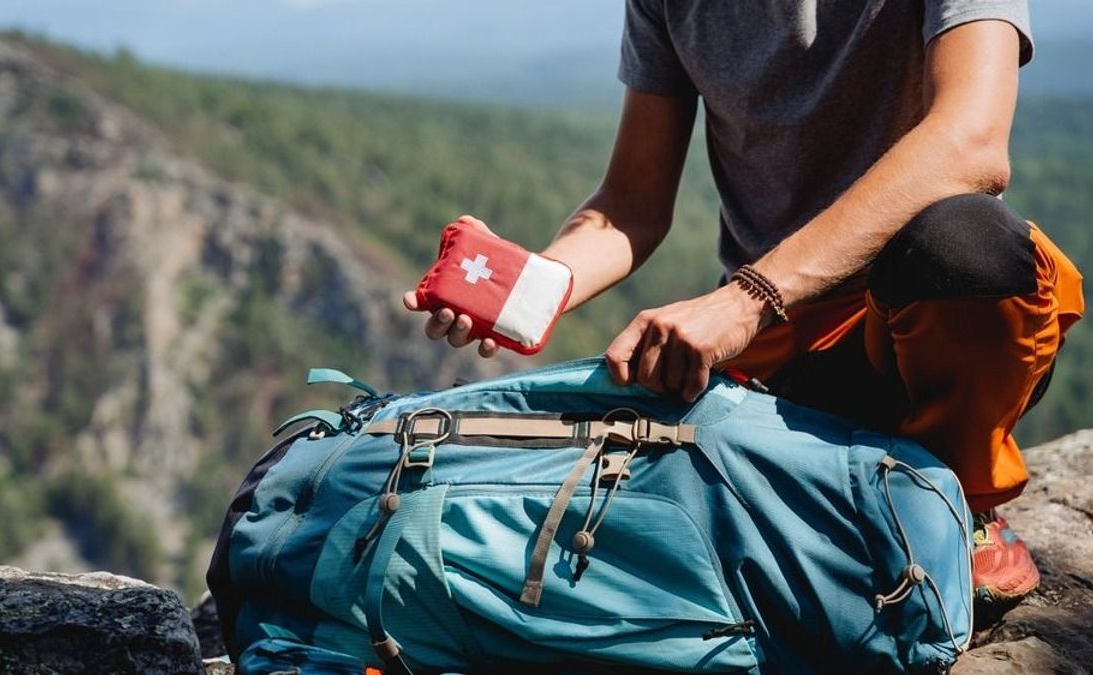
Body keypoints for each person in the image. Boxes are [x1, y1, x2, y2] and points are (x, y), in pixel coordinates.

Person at [403, 1, 1084, 606]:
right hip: (781, 360)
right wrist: (529, 285)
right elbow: (631, 203)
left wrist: (749, 297)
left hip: (924, 327)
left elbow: (970, 144)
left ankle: (955, 497)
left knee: (968, 247)